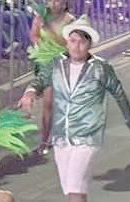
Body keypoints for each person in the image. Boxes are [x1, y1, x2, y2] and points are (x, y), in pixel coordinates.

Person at [19, 15, 130, 202]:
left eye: (82, 42)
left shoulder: (101, 68)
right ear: (67, 43)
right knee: (71, 184)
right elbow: (39, 81)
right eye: (73, 41)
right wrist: (29, 93)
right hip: (62, 133)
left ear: (89, 45)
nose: (77, 46)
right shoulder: (56, 64)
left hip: (88, 133)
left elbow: (118, 92)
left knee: (74, 182)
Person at [27, 0, 75, 152]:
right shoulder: (41, 16)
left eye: (57, 1)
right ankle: (46, 140)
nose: (53, 4)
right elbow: (33, 35)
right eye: (50, 1)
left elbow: (68, 44)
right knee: (48, 103)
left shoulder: (70, 21)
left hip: (63, 63)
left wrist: (48, 29)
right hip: (44, 63)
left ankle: (56, 136)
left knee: (53, 102)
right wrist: (40, 45)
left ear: (65, 3)